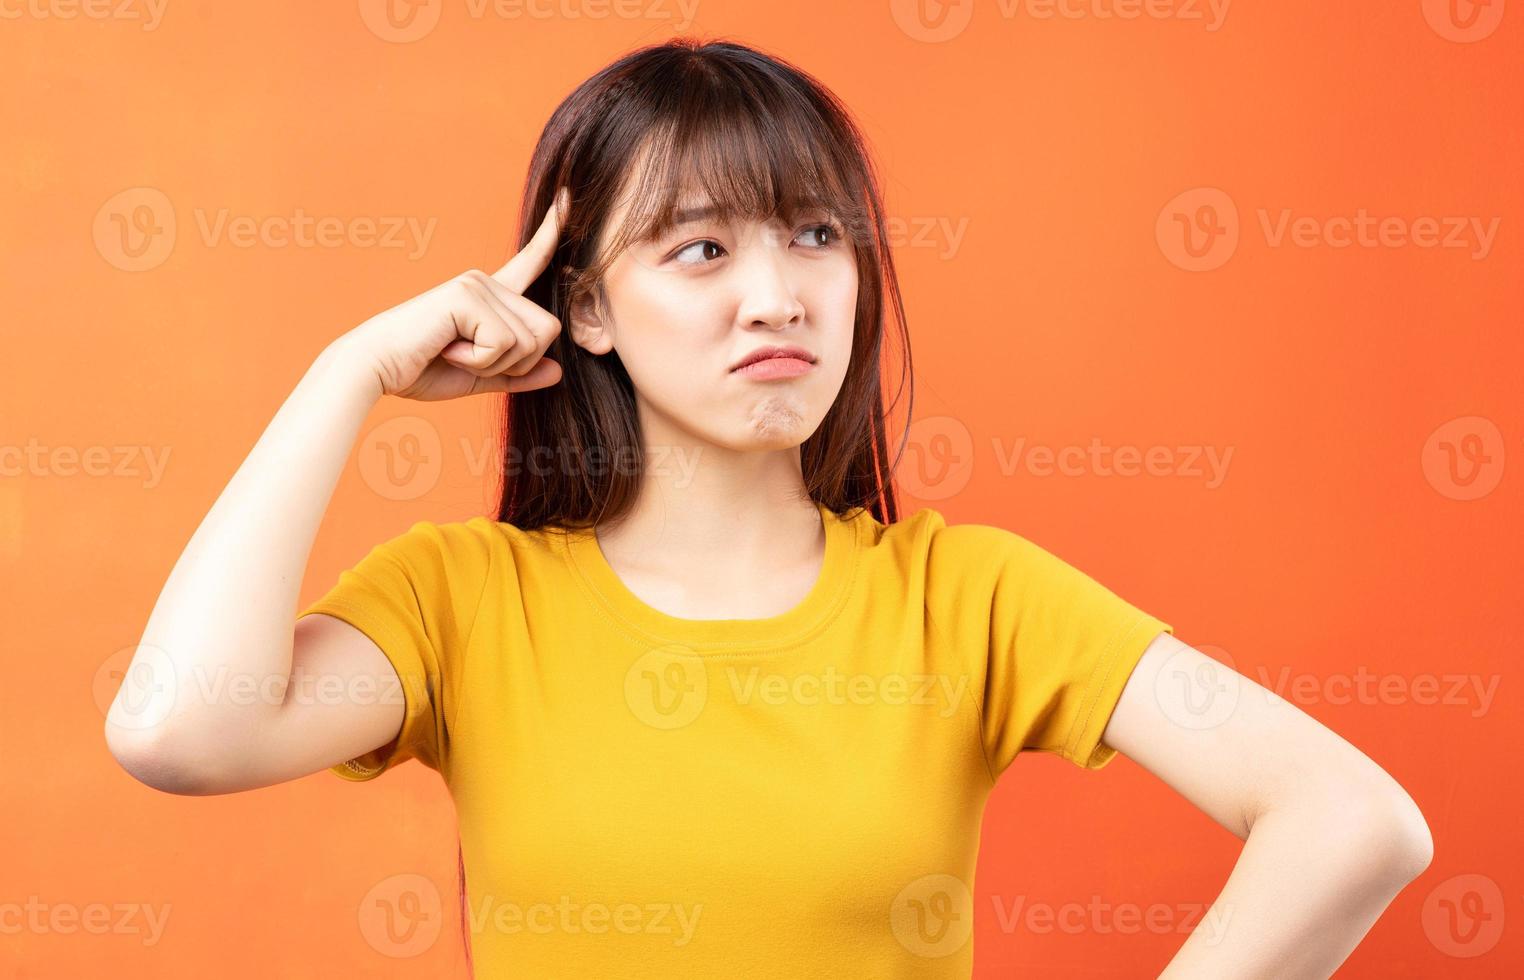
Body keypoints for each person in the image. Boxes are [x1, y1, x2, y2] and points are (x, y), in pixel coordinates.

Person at [105, 37, 1433, 979]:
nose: (778, 295)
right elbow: (176, 730)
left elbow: (1352, 820)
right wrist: (348, 372)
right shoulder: (463, 602)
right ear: (584, 308)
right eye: (700, 248)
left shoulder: (971, 598)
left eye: (815, 236)